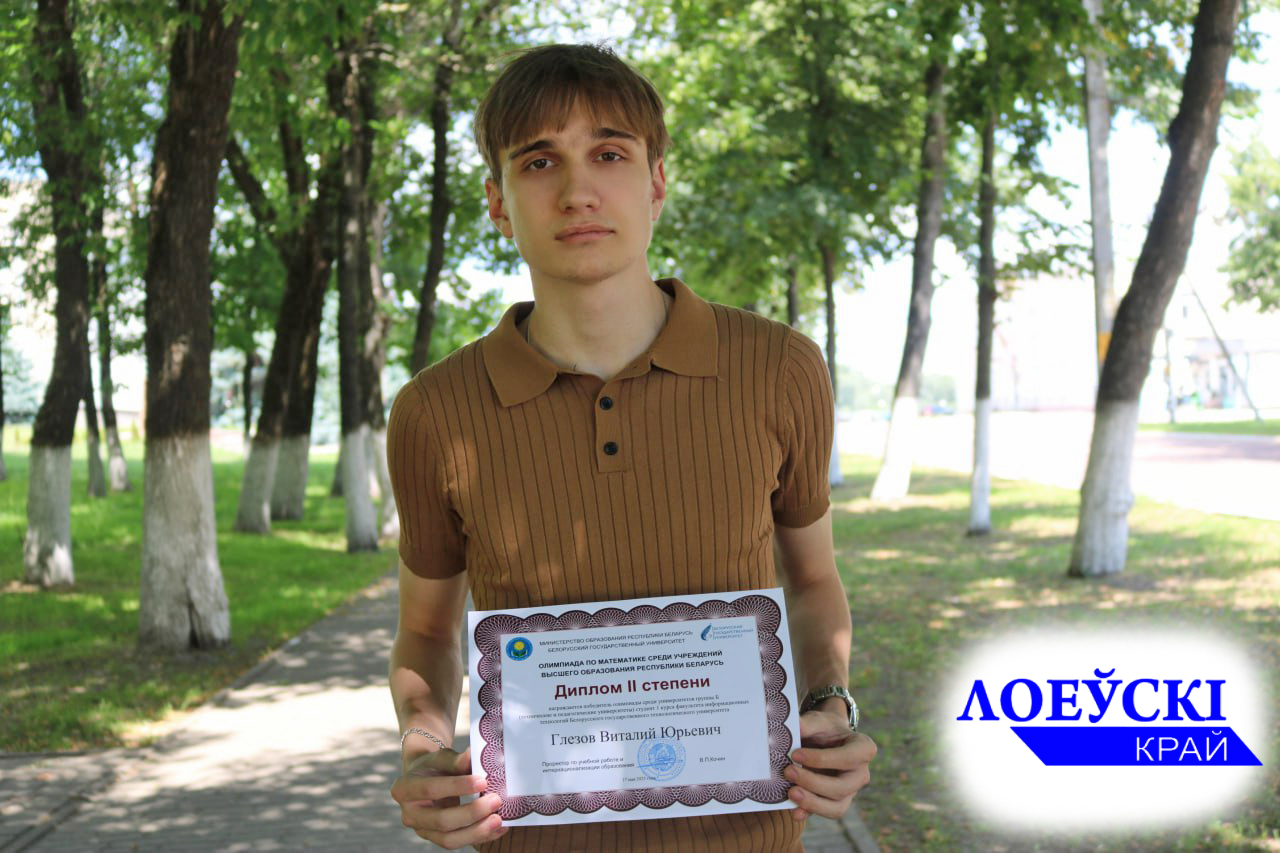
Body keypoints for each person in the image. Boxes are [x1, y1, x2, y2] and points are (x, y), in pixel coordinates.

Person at [386, 43, 876, 852]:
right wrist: (422, 747)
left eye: (609, 154)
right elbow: (427, 633)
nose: (578, 190)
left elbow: (814, 580)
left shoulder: (780, 368)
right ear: (498, 203)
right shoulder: (435, 412)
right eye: (539, 161)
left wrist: (831, 706)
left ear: (655, 182)